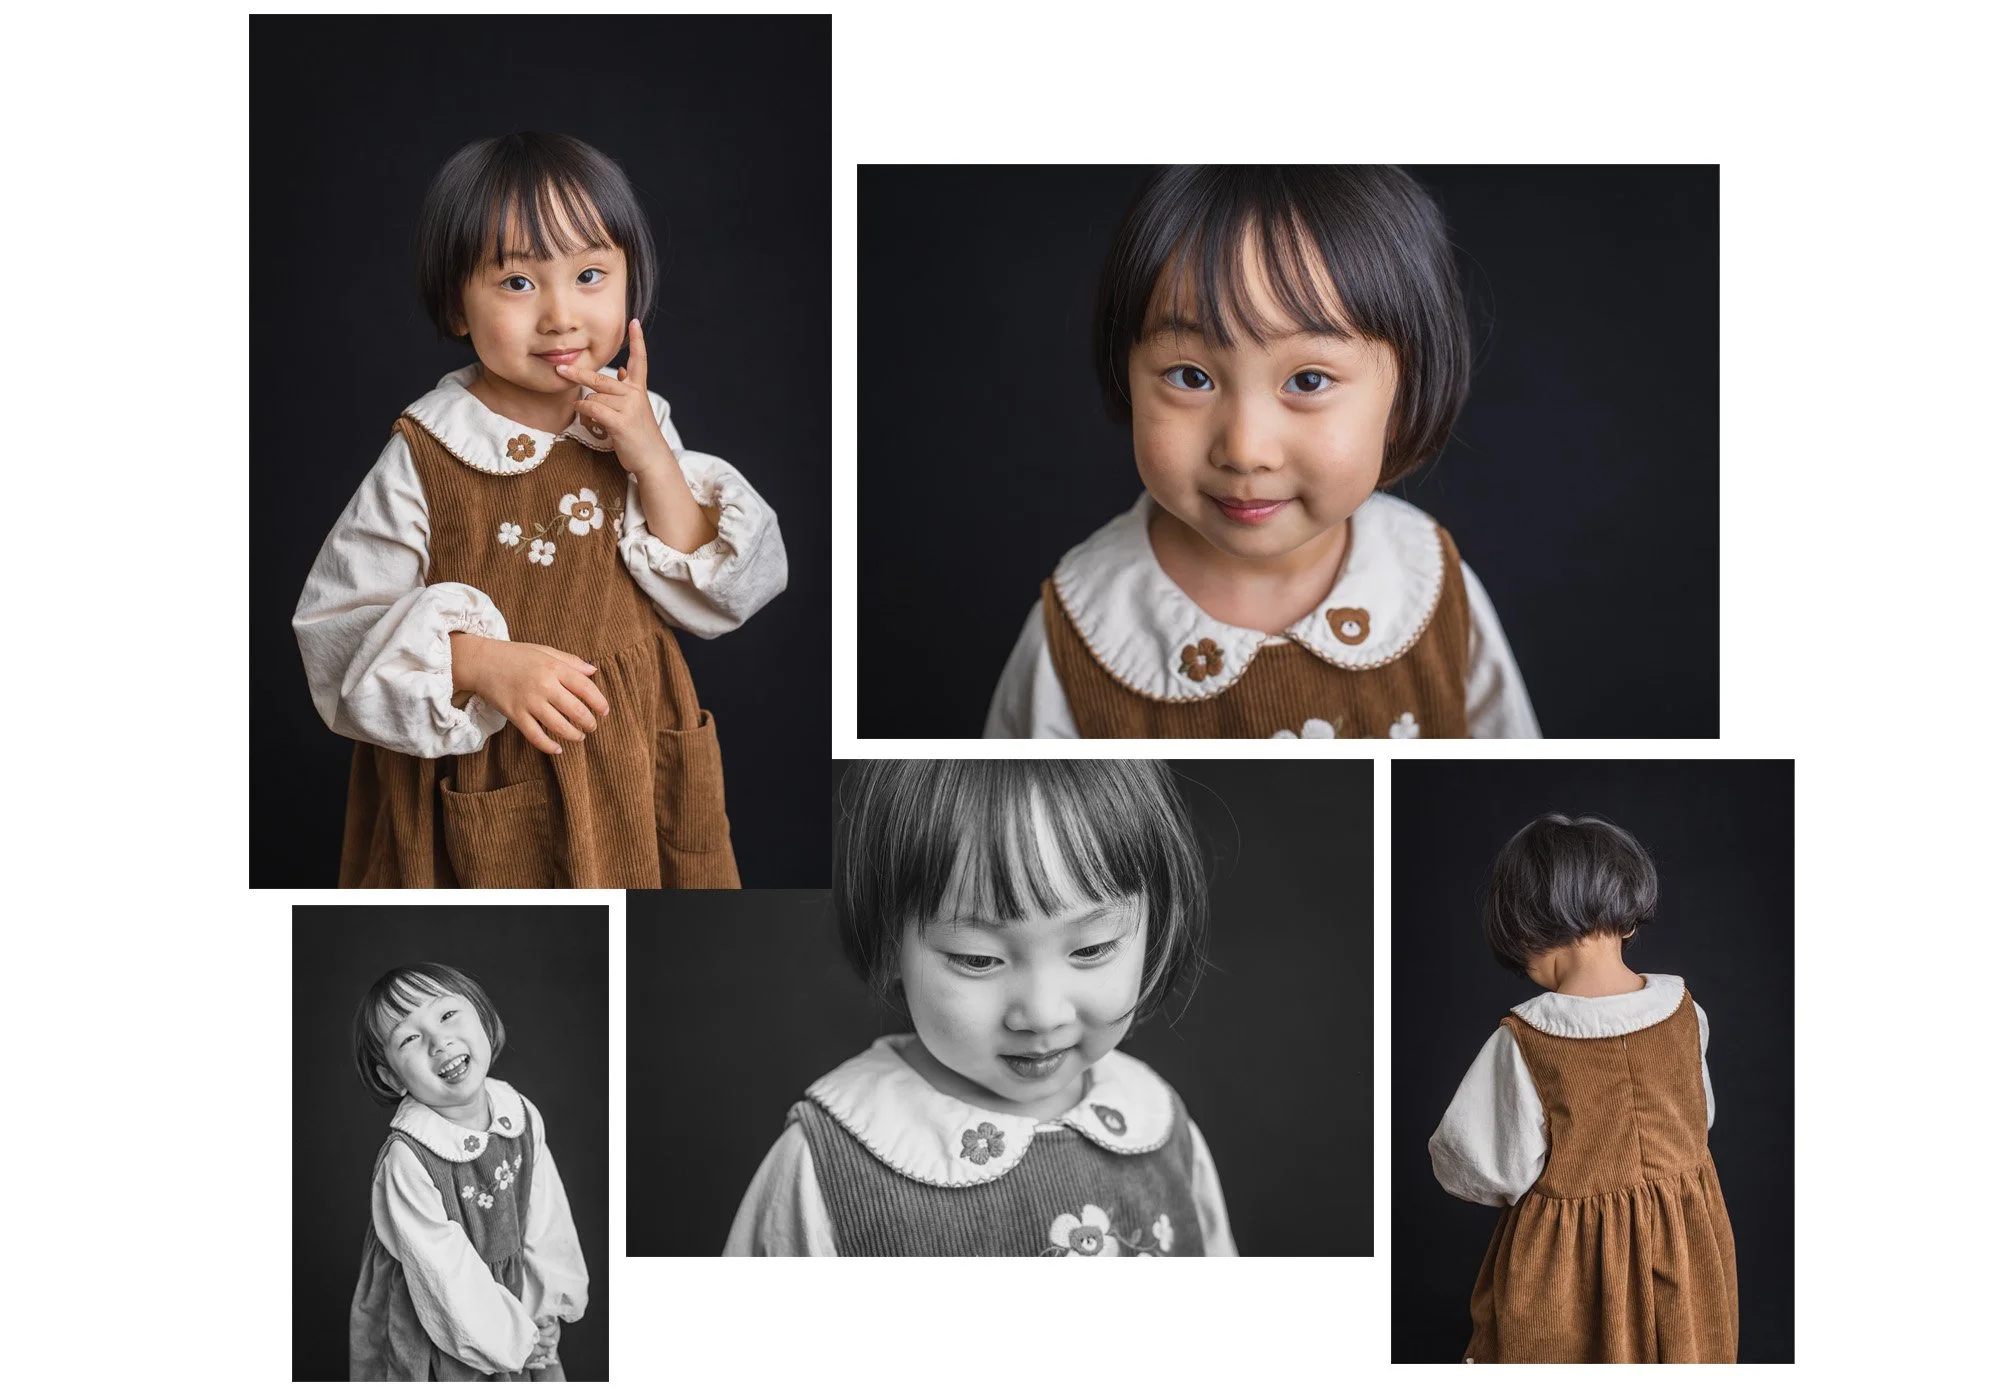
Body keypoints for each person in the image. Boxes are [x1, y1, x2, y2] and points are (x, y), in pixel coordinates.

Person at [295, 132, 786, 887]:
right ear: (457, 303)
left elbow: (710, 590)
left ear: (629, 279)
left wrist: (652, 455)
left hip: (631, 750)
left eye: (589, 275)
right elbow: (337, 634)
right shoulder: (429, 453)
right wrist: (481, 662)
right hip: (491, 768)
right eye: (518, 283)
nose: (561, 316)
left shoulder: (634, 421)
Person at [985, 165, 1535, 739]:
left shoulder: (1432, 588)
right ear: (1126, 374)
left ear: (1403, 397)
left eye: (1308, 381)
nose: (1245, 451)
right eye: (1190, 376)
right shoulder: (1077, 630)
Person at [725, 760, 1237, 1255]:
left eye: (1091, 949)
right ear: (888, 945)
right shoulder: (828, 1162)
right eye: (978, 958)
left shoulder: (1158, 1123)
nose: (1041, 1014)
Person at [1429, 814, 1736, 1362]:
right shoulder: (1685, 1014)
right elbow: (1700, 1119)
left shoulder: (1527, 1040)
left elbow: (1478, 1165)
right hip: (1686, 1247)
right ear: (1627, 917)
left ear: (1526, 928)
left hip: (1571, 1272)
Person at [349, 963, 588, 1380]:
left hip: (516, 1309)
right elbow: (445, 1277)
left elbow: (547, 1219)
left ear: (483, 1018)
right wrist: (513, 1339)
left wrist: (546, 1309)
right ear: (391, 1077)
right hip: (443, 1320)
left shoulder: (519, 1114)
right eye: (409, 1038)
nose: (439, 1042)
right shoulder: (408, 1160)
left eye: (447, 1015)